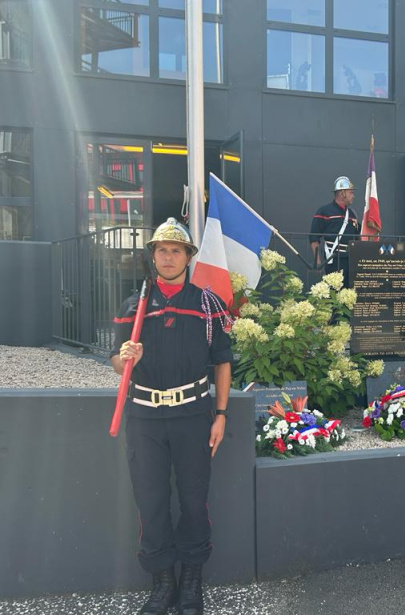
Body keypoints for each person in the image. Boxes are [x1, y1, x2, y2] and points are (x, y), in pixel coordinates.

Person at [111, 218, 233, 615]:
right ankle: (162, 582)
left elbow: (222, 363)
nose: (168, 256)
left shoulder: (206, 303)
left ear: (188, 257)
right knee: (151, 501)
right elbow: (115, 359)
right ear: (153, 256)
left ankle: (191, 582)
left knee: (195, 501)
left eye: (175, 250)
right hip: (144, 416)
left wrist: (221, 414)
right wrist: (124, 358)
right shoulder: (135, 304)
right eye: (161, 250)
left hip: (193, 415)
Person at [309, 176, 360, 285]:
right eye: (351, 193)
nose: (353, 196)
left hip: (351, 259)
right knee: (333, 295)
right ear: (342, 193)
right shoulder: (324, 211)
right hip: (333, 259)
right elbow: (314, 238)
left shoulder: (352, 214)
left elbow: (359, 236)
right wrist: (317, 261)